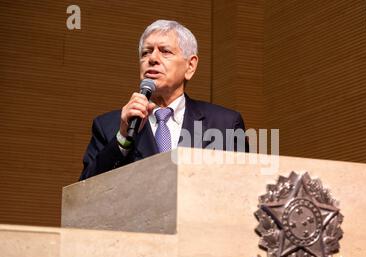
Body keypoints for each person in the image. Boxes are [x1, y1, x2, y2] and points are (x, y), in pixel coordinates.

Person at [80, 20, 247, 180]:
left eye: (165, 51)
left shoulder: (225, 124)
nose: (152, 59)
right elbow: (83, 193)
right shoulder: (109, 127)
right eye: (146, 52)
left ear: (190, 66)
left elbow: (243, 188)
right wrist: (123, 138)